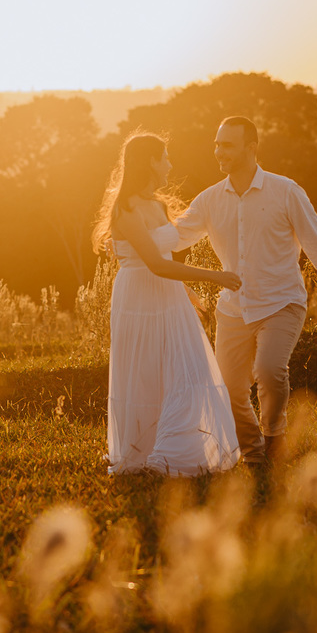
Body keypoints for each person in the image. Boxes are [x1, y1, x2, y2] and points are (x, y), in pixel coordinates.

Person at [175, 116, 317, 465]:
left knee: (270, 371)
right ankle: (253, 454)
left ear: (252, 148)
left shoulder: (285, 191)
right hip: (233, 308)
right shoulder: (209, 200)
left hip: (281, 301)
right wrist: (134, 237)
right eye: (217, 144)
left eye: (227, 145)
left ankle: (274, 438)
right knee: (229, 389)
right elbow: (176, 235)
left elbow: (315, 241)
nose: (219, 152)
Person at [92, 131, 243, 476]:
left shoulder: (158, 206)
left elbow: (166, 258)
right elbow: (155, 264)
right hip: (138, 295)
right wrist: (216, 276)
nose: (170, 165)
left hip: (169, 295)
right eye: (165, 157)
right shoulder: (126, 209)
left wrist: (186, 291)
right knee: (146, 372)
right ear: (150, 162)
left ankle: (174, 447)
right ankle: (149, 452)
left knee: (188, 370)